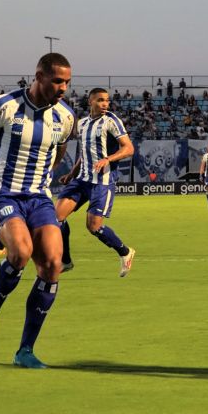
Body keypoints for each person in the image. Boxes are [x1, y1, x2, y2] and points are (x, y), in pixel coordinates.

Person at [0, 52, 75, 369]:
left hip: (39, 197)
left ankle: (25, 351)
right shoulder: (6, 106)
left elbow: (60, 151)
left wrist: (41, 178)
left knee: (53, 264)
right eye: (57, 81)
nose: (63, 88)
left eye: (67, 82)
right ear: (38, 76)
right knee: (20, 253)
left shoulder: (65, 117)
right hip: (3, 193)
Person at [55, 87, 136, 277]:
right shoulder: (82, 124)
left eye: (107, 100)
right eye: (100, 100)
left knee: (93, 227)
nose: (105, 104)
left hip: (102, 181)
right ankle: (65, 261)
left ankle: (125, 252)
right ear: (90, 102)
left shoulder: (111, 121)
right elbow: (84, 155)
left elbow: (129, 148)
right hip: (82, 180)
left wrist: (108, 159)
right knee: (55, 218)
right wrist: (71, 175)